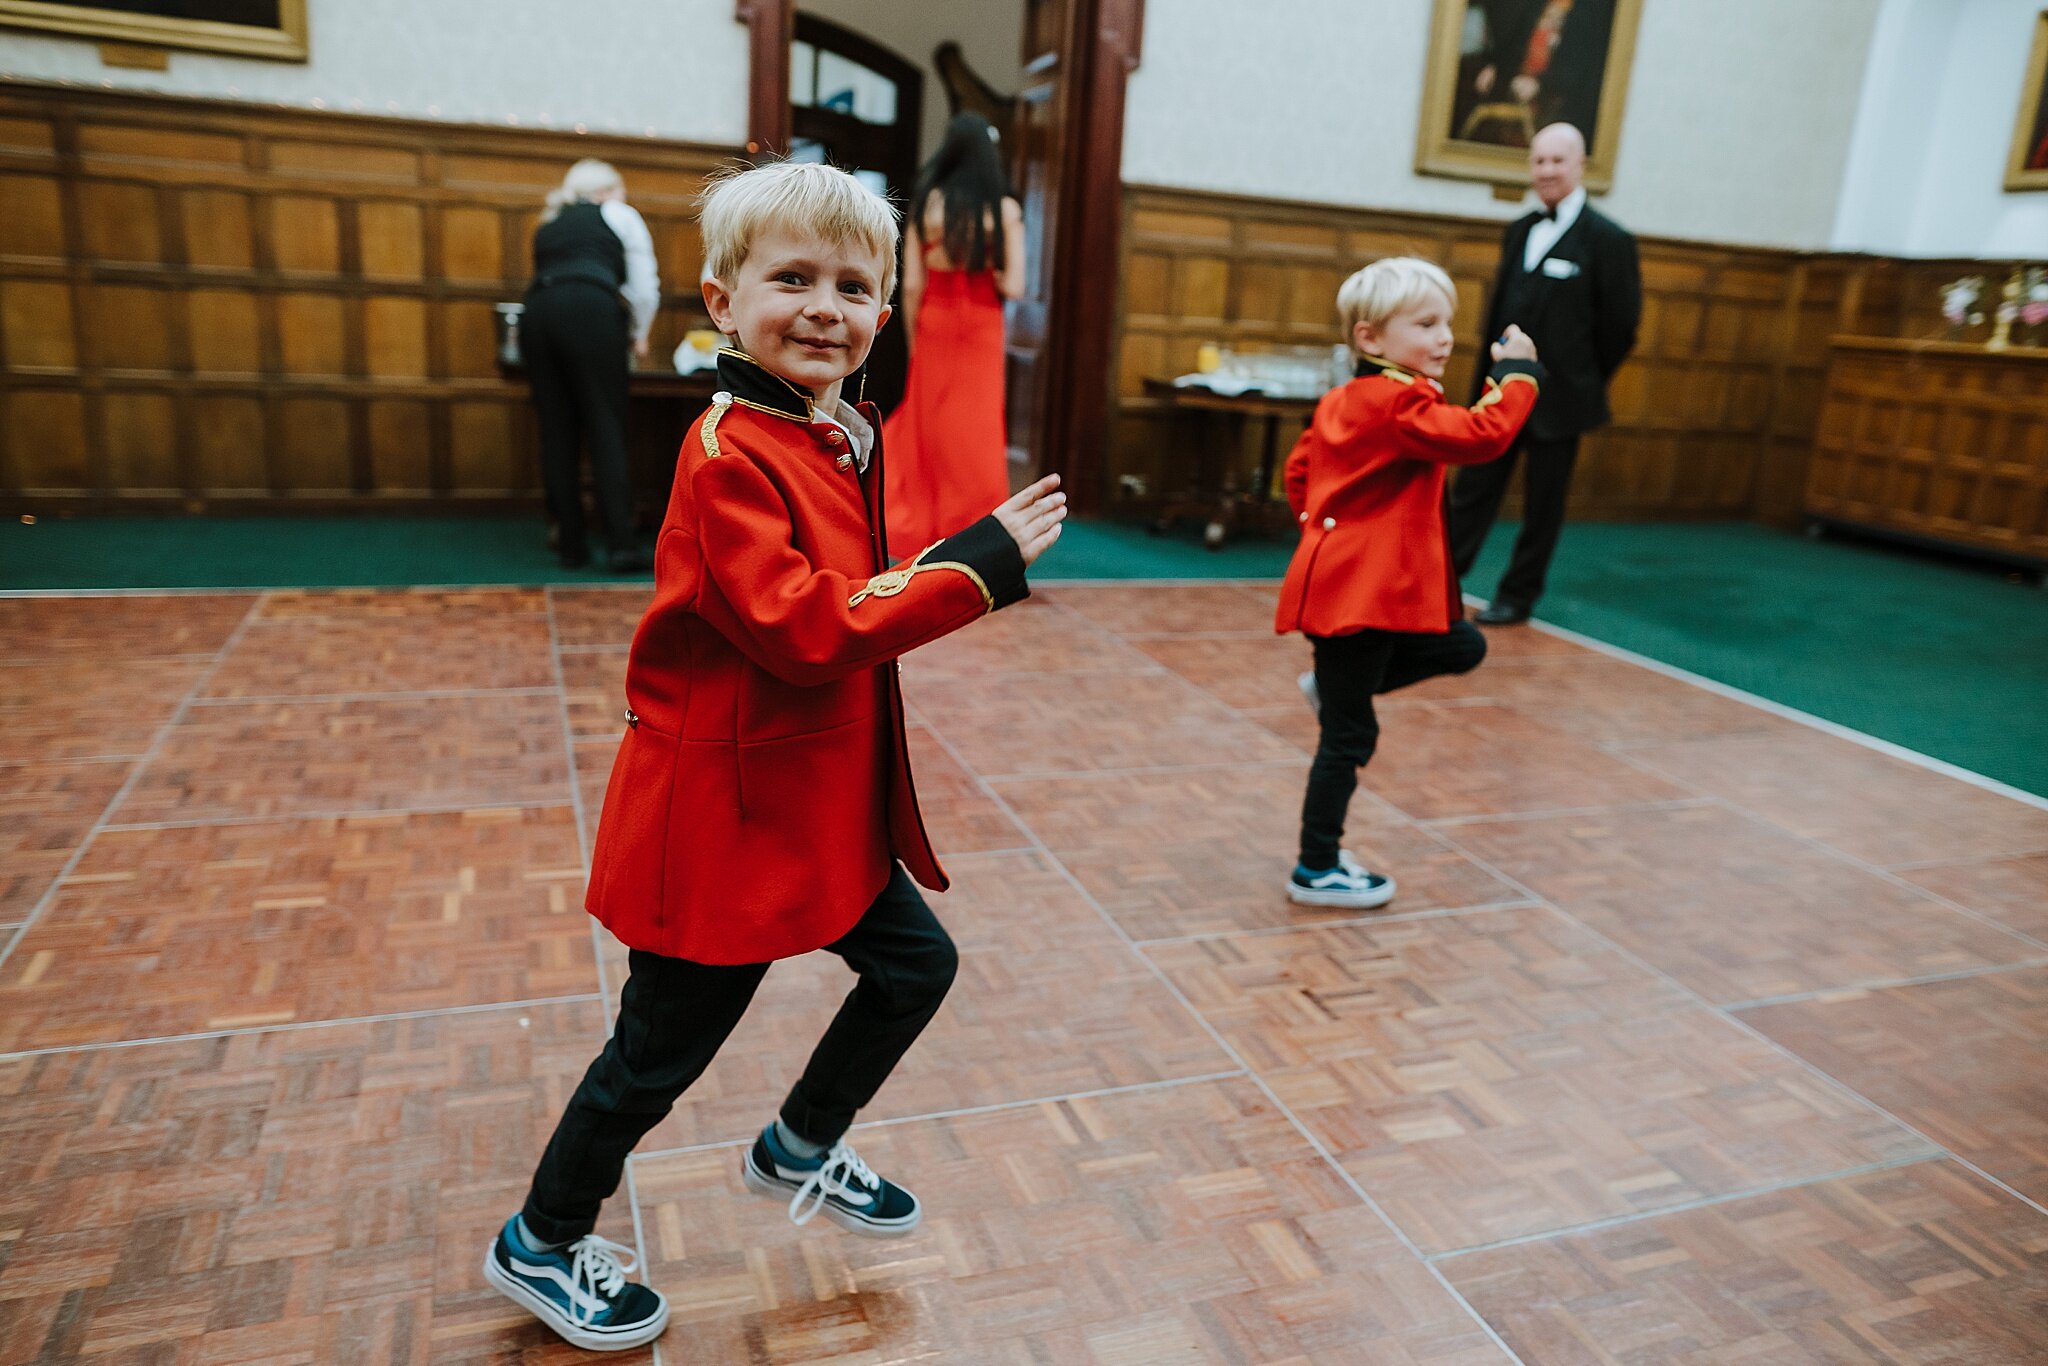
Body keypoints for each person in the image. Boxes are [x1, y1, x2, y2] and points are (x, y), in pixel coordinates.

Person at [481, 159, 1067, 1352]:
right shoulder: (727, 451)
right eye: (790, 279)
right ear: (719, 302)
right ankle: (540, 1238)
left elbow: (841, 597)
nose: (823, 307)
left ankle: (798, 1140)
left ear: (881, 318)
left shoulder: (826, 426)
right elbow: (809, 626)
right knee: (654, 1058)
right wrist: (972, 567)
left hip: (814, 799)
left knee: (914, 968)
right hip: (728, 816)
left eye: (852, 287)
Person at [1278, 258, 1542, 909]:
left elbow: (1298, 471)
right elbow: (1483, 434)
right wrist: (1516, 376)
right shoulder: (1398, 403)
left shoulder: (1346, 398)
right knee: (1348, 738)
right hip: (1358, 598)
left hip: (1345, 587)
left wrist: (1324, 532)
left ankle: (1336, 690)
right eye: (1426, 323)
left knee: (1463, 645)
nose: (1445, 336)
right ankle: (1316, 867)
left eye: (1448, 322)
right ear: (1371, 339)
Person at [1447, 122, 1639, 625]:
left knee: (1543, 504)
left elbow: (1620, 326)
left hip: (1561, 399)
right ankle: (1441, 580)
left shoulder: (1608, 240)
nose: (1546, 171)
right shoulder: (1519, 230)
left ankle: (1518, 596)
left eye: (1557, 161)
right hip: (1498, 392)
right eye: (1538, 161)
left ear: (1580, 166)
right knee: (1472, 490)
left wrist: (1583, 380)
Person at [882, 113, 1027, 555]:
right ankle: (977, 529)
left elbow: (910, 285)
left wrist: (913, 341)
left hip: (935, 323)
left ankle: (920, 520)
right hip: (981, 323)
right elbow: (1015, 285)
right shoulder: (1004, 209)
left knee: (931, 419)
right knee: (978, 425)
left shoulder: (929, 203)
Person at [522, 158, 661, 573]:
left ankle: (571, 546)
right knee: (605, 424)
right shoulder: (618, 213)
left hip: (538, 312)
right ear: (607, 189)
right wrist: (639, 331)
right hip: (591, 310)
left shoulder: (549, 222)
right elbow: (642, 284)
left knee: (556, 429)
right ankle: (620, 545)